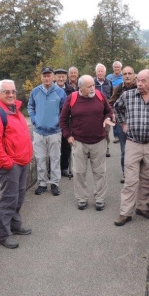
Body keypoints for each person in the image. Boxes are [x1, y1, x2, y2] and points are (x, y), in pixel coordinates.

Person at [113, 69, 149, 226]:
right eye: (138, 80)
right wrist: (123, 124)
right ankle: (125, 212)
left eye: (143, 81)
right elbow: (117, 108)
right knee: (130, 180)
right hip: (133, 143)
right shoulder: (127, 96)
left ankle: (143, 206)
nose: (139, 83)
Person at [0, 79, 34, 249]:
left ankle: (15, 225)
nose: (11, 94)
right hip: (12, 164)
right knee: (8, 198)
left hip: (22, 161)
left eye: (13, 91)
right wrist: (6, 162)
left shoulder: (15, 110)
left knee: (19, 196)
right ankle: (3, 234)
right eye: (7, 92)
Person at [59, 75, 115, 211]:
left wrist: (108, 118)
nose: (93, 89)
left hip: (99, 141)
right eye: (89, 86)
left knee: (100, 172)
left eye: (93, 86)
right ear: (81, 88)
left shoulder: (99, 95)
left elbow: (109, 111)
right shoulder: (72, 98)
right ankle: (82, 198)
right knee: (79, 172)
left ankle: (100, 198)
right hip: (79, 142)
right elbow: (62, 119)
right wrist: (68, 136)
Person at [28, 67, 66, 196]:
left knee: (55, 158)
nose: (46, 78)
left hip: (54, 131)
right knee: (40, 158)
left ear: (53, 77)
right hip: (38, 131)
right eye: (44, 76)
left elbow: (65, 110)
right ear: (41, 77)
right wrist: (34, 119)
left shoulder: (60, 92)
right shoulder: (35, 91)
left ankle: (55, 183)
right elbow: (30, 106)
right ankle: (42, 183)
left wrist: (58, 121)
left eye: (49, 75)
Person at [109, 66, 137, 183]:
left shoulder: (139, 87)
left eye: (129, 73)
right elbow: (111, 103)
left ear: (134, 75)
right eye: (125, 74)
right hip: (122, 124)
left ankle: (136, 173)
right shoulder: (118, 88)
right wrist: (114, 114)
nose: (127, 76)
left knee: (137, 150)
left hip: (137, 124)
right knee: (124, 151)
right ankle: (125, 173)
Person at [54, 68, 74, 178]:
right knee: (54, 148)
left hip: (67, 122)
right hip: (54, 122)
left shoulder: (71, 89)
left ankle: (64, 168)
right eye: (59, 76)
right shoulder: (50, 89)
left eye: (63, 76)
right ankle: (52, 169)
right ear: (55, 77)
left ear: (66, 78)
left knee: (66, 146)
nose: (61, 78)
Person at [94, 63, 114, 157]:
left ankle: (106, 148)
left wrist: (112, 110)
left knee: (106, 131)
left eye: (102, 71)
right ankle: (94, 150)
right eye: (99, 71)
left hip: (106, 111)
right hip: (94, 110)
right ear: (96, 72)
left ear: (105, 73)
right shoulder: (92, 82)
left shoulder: (109, 83)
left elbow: (113, 97)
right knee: (93, 130)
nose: (100, 73)